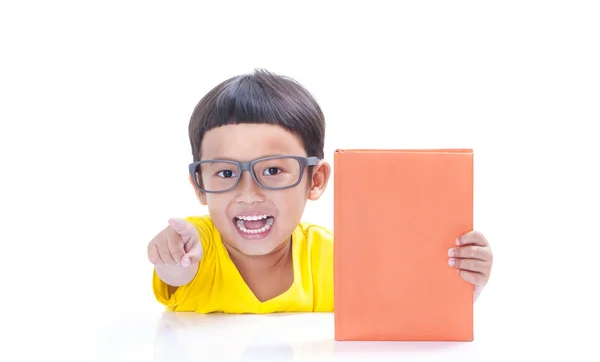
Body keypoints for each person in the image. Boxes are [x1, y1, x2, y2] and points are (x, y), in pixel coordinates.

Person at [148, 69, 494, 313]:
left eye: (272, 170)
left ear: (315, 181)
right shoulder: (197, 244)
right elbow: (178, 272)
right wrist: (172, 256)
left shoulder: (336, 258)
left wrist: (461, 288)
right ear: (199, 186)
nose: (248, 192)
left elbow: (405, 312)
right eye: (225, 172)